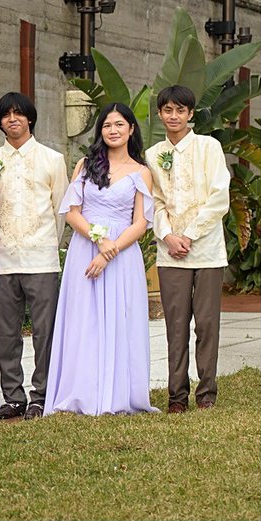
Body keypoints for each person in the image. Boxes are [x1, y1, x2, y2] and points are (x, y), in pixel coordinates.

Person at [45, 103, 157, 416]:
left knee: (119, 319)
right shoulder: (85, 164)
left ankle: (118, 392)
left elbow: (140, 223)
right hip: (86, 247)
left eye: (120, 125)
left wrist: (112, 250)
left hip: (122, 255)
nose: (113, 130)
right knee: (84, 319)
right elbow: (71, 213)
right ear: (100, 130)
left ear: (131, 129)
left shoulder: (141, 172)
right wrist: (99, 240)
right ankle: (80, 390)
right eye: (107, 125)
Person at [144, 85, 230, 413]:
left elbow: (219, 197)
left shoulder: (209, 147)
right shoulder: (153, 155)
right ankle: (176, 396)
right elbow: (155, 203)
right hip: (170, 253)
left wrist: (190, 235)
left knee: (207, 323)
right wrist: (168, 236)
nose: (174, 116)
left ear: (191, 114)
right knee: (175, 324)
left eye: (180, 110)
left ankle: (206, 393)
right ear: (161, 114)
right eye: (168, 110)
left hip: (206, 249)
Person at [0, 92, 68, 420]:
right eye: (6, 115)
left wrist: (46, 243)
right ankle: (13, 396)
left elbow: (61, 210)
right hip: (3, 259)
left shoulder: (52, 159)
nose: (13, 119)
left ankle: (41, 395)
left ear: (30, 118)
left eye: (19, 114)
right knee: (6, 332)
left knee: (45, 331)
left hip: (42, 258)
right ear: (0, 121)